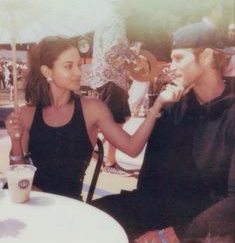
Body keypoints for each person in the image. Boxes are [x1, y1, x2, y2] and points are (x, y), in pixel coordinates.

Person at [91, 24, 235, 243]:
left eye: (179, 58)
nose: (172, 67)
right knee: (94, 217)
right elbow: (150, 175)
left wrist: (172, 234)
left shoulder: (231, 112)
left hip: (209, 223)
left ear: (206, 57)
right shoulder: (173, 106)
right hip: (161, 208)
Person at [4, 36, 184, 201]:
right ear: (47, 71)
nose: (78, 72)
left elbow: (132, 148)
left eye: (78, 65)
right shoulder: (27, 114)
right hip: (31, 200)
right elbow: (18, 174)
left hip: (70, 208)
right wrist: (16, 140)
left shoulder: (91, 109)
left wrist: (157, 105)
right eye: (68, 66)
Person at [90, 0, 135, 172]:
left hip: (103, 79)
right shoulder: (116, 21)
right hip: (112, 79)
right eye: (130, 1)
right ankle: (108, 160)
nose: (133, 5)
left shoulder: (105, 20)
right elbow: (111, 54)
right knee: (114, 122)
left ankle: (98, 152)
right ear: (122, 3)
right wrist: (129, 57)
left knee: (110, 121)